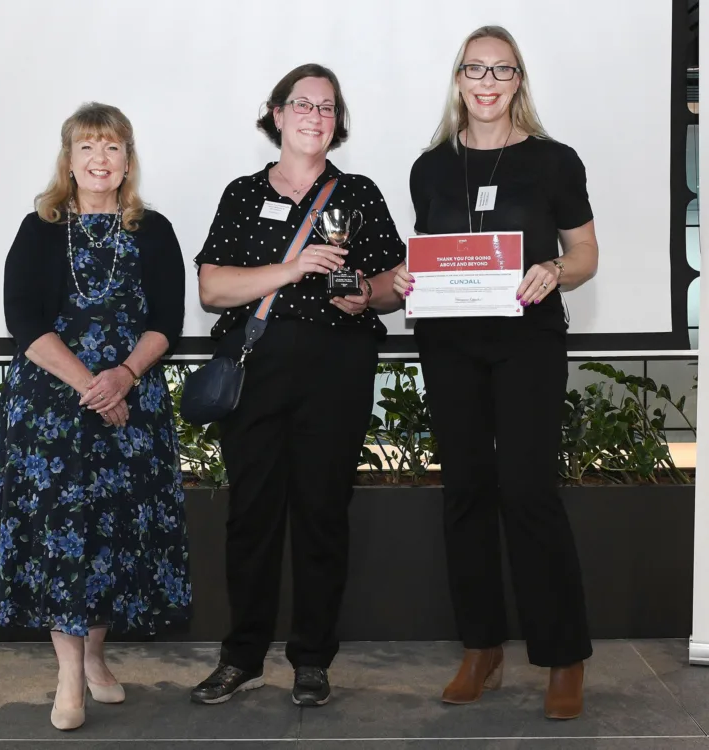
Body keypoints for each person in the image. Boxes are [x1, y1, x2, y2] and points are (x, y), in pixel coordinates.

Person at [393, 26, 600, 720]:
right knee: (466, 493)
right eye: (474, 70)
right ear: (458, 81)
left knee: (529, 490)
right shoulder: (429, 168)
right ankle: (481, 647)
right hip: (449, 347)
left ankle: (563, 656)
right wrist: (404, 280)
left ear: (518, 82)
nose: (487, 82)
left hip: (528, 344)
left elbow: (586, 255)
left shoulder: (553, 162)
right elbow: (432, 255)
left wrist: (554, 269)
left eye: (501, 70)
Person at [189, 63, 407, 708]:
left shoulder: (359, 193)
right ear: (276, 114)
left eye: (327, 108)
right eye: (302, 104)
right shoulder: (241, 192)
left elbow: (397, 281)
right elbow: (211, 288)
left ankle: (312, 659)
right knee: (251, 516)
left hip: (337, 372)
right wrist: (290, 269)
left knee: (321, 515)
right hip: (257, 371)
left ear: (337, 123)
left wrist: (366, 294)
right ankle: (242, 657)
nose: (315, 116)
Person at [0, 102, 192, 732]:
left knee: (114, 537)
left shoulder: (154, 230)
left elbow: (167, 323)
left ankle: (95, 657)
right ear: (68, 160)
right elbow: (25, 323)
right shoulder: (38, 228)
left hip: (134, 405)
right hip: (50, 412)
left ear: (129, 159)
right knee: (59, 536)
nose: (101, 161)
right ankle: (69, 676)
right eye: (88, 148)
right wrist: (91, 386)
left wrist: (123, 376)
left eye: (114, 148)